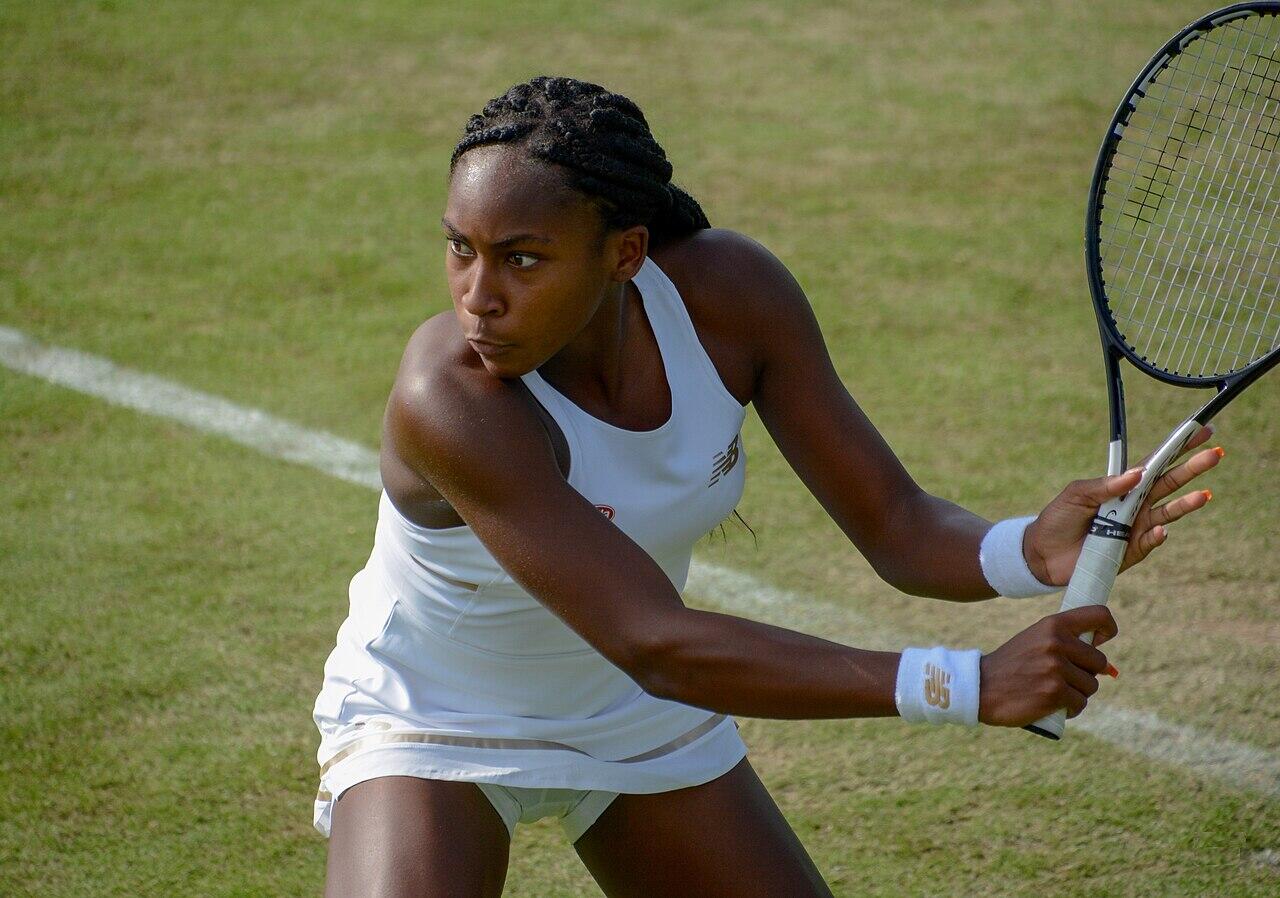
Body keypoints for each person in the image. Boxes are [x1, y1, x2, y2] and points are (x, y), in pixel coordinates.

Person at [312, 75, 1222, 898]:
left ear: (625, 253)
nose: (477, 296)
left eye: (520, 258)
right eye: (458, 250)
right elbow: (654, 640)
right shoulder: (450, 395)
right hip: (432, 717)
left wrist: (1024, 548)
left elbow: (897, 524)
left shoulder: (732, 298)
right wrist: (964, 682)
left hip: (635, 716)